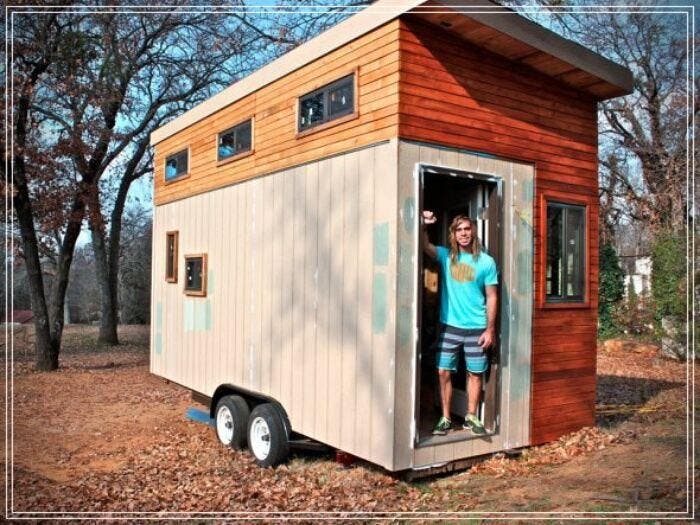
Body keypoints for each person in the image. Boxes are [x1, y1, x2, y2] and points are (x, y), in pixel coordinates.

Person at [421, 210, 498, 436]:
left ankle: (471, 417)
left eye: (467, 229)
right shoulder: (446, 256)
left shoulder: (486, 261)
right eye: (459, 230)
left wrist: (490, 329)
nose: (464, 233)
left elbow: (492, 296)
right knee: (443, 371)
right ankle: (445, 418)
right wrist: (424, 224)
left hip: (476, 328)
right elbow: (425, 246)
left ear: (473, 232)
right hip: (450, 326)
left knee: (475, 373)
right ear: (453, 235)